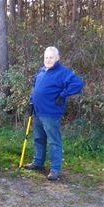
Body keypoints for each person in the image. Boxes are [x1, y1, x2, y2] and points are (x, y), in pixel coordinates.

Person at [24, 46, 84, 181]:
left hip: (51, 113)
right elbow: (35, 89)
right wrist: (31, 102)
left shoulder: (62, 72)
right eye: (46, 57)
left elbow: (78, 84)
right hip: (38, 112)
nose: (48, 60)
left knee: (53, 141)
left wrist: (63, 94)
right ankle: (38, 162)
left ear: (57, 58)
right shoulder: (41, 71)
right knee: (38, 139)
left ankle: (55, 169)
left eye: (51, 57)